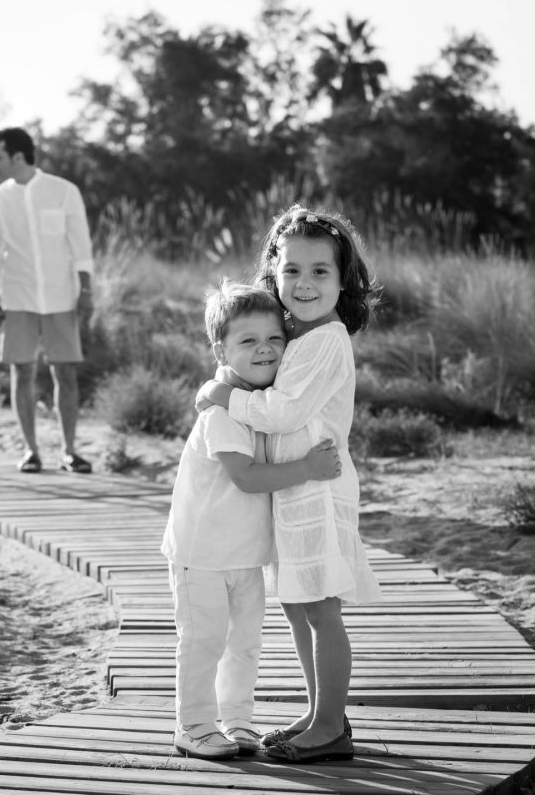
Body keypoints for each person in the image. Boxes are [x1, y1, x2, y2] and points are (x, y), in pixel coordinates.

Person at [196, 205, 383, 764]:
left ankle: (330, 726)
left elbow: (282, 412)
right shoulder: (296, 336)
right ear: (273, 273)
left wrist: (223, 394)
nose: (304, 283)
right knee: (299, 605)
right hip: (294, 490)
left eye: (320, 272)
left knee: (322, 608)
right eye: (292, 270)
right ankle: (319, 711)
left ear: (342, 280)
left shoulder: (326, 339)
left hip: (319, 490)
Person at [163, 280, 342, 761]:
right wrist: (307, 469)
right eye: (248, 342)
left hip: (246, 553)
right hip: (201, 554)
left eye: (274, 339)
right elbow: (245, 478)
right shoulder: (222, 413)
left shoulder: (257, 405)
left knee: (244, 644)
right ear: (221, 348)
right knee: (204, 642)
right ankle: (194, 725)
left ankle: (237, 720)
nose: (264, 349)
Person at [0, 127, 94, 474]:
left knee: (66, 373)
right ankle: (30, 451)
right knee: (22, 371)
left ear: (17, 156)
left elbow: (80, 244)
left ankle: (70, 452)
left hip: (62, 296)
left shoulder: (64, 191)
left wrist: (86, 289)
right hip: (17, 297)